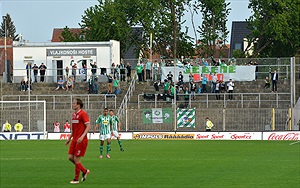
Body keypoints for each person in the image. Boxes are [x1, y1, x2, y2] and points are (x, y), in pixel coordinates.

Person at [65, 98, 91, 184]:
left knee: (76, 159)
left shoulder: (83, 114)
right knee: (70, 157)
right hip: (74, 140)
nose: (73, 104)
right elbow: (74, 129)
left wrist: (82, 136)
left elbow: (88, 126)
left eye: (74, 103)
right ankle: (84, 171)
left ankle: (76, 179)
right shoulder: (73, 115)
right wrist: (69, 138)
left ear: (78, 105)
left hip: (81, 140)